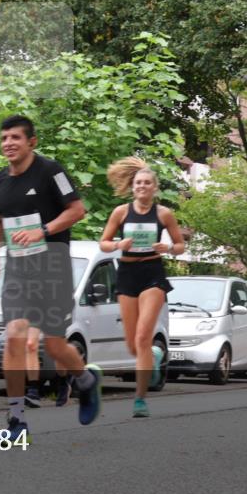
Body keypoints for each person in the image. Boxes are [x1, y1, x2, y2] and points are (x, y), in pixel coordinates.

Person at [0, 115, 101, 443]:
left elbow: (77, 210)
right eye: (4, 138)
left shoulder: (51, 171)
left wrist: (44, 230)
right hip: (18, 270)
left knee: (53, 344)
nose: (8, 143)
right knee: (13, 337)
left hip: (52, 267)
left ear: (31, 142)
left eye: (15, 138)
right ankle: (16, 422)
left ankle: (85, 380)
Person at [98, 157, 184, 418]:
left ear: (154, 188)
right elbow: (103, 242)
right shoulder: (121, 212)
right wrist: (117, 245)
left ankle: (140, 398)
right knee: (133, 345)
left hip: (152, 273)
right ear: (132, 187)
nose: (142, 187)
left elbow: (181, 246)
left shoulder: (163, 214)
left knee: (143, 337)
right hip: (127, 273)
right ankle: (155, 355)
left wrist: (168, 247)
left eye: (147, 183)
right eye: (138, 183)